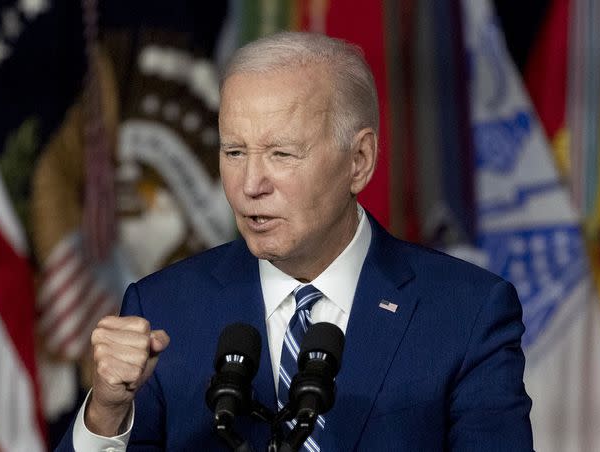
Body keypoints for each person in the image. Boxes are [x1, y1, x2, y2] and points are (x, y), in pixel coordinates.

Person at [56, 31, 533, 451]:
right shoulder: (163, 309)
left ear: (359, 161)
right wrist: (106, 413)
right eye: (234, 151)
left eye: (281, 153)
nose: (250, 184)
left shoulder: (467, 314)